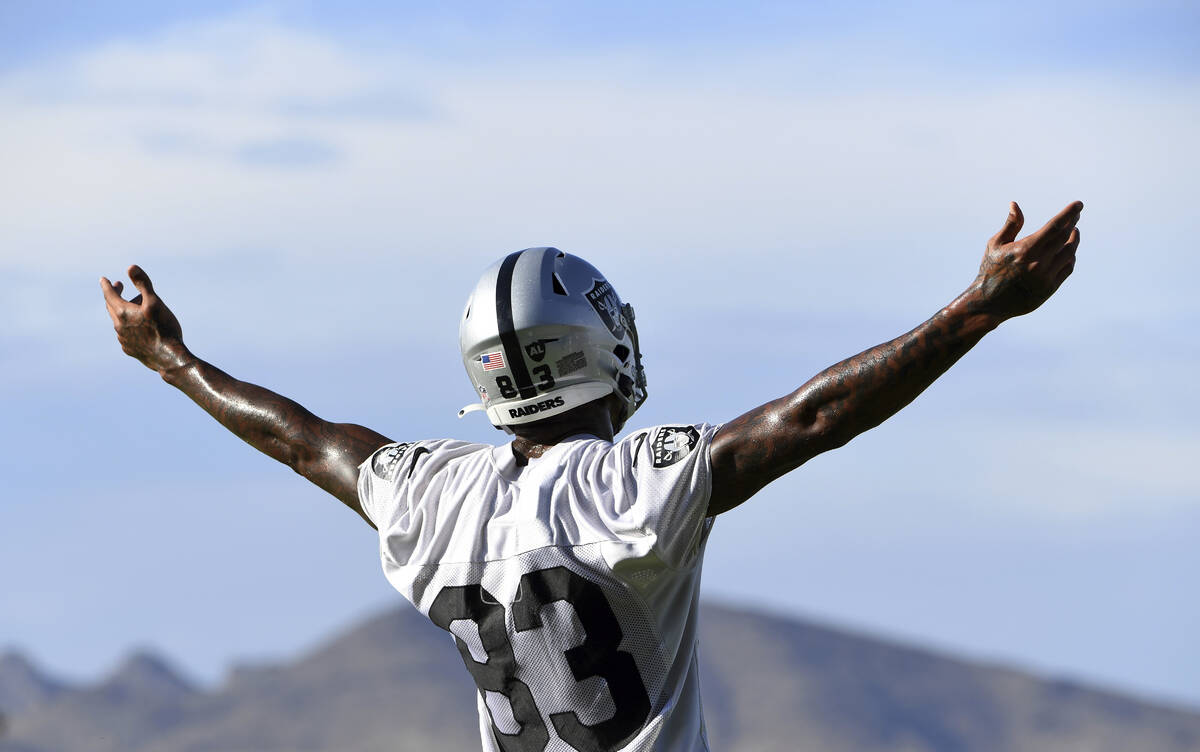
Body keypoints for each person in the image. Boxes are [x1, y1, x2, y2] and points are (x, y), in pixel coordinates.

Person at [101, 200, 1082, 752]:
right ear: (594, 348)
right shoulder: (630, 490)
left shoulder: (436, 495)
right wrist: (975, 310)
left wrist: (172, 360)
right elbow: (815, 415)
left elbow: (302, 438)